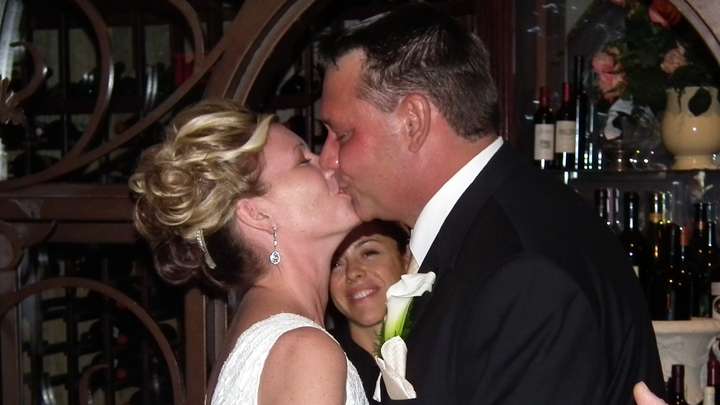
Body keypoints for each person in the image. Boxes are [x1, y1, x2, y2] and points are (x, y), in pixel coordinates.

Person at [317, 3, 666, 404]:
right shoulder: (500, 221)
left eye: (342, 135)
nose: (328, 160)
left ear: (413, 121)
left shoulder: (521, 271)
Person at [128, 99, 368, 405]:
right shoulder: (304, 350)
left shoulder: (263, 334)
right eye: (303, 161)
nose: (330, 163)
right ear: (256, 214)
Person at [328, 220, 411, 401]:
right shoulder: (320, 363)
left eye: (369, 253)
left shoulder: (446, 343)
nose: (353, 272)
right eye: (336, 264)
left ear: (406, 258)